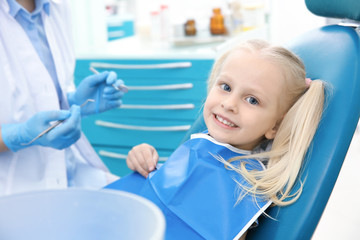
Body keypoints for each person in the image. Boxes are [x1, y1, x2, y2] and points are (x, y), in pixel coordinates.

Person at [106, 39, 326, 239]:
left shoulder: (247, 187)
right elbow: (169, 189)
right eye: (226, 87)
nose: (229, 104)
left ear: (276, 125)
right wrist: (144, 161)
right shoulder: (202, 145)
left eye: (252, 100)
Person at [0, 0, 126, 195]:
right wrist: (17, 135)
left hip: (71, 176)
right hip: (13, 193)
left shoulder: (57, 7)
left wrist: (73, 102)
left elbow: (39, 93)